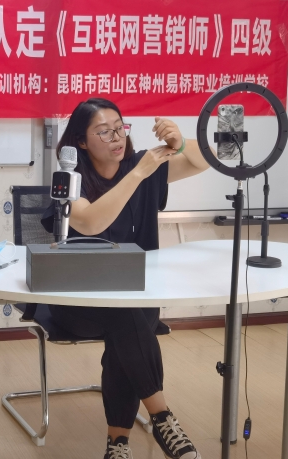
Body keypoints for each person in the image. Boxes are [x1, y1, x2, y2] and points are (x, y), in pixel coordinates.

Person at [41, 98, 212, 459]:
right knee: (125, 314)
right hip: (77, 303)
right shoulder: (70, 180)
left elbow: (205, 161)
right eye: (104, 132)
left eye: (120, 128)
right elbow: (91, 222)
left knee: (126, 319)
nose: (117, 137)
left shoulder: (143, 165)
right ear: (82, 141)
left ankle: (118, 446)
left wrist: (181, 143)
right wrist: (136, 175)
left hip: (135, 297)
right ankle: (161, 416)